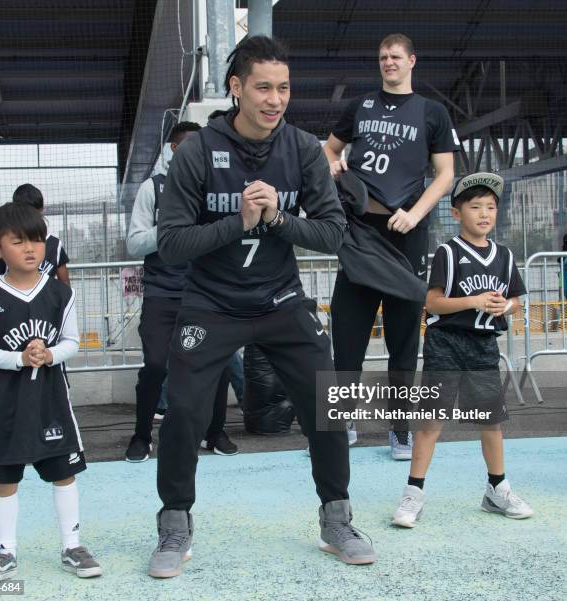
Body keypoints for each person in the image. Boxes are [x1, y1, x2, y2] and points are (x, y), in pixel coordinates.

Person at [148, 35, 375, 579]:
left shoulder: (301, 150)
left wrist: (275, 218)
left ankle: (336, 518)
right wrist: (238, 223)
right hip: (212, 304)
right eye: (263, 87)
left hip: (280, 300)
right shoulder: (198, 151)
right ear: (236, 88)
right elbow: (171, 242)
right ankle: (174, 524)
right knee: (183, 412)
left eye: (284, 88)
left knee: (327, 405)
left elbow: (333, 234)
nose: (275, 99)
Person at [324, 33, 460, 460]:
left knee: (404, 339)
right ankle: (338, 425)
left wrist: (415, 214)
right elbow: (328, 151)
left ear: (412, 61)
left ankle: (400, 428)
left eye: (396, 56)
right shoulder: (358, 108)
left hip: (407, 233)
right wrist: (333, 165)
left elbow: (445, 174)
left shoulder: (431, 113)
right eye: (383, 56)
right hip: (360, 231)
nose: (389, 62)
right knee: (347, 334)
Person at [391, 172, 533, 528]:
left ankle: (497, 489)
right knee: (430, 422)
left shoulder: (504, 256)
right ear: (456, 213)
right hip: (447, 345)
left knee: (491, 422)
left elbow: (516, 299)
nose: (484, 213)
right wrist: (475, 300)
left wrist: (506, 307)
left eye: (490, 207)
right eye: (475, 206)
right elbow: (433, 303)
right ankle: (413, 492)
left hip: (484, 347)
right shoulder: (448, 253)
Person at [0, 203, 101, 581]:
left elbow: (73, 342)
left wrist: (48, 355)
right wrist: (20, 358)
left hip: (52, 400)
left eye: (38, 240)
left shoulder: (60, 294)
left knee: (64, 473)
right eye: (19, 242)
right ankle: (4, 552)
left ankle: (72, 545)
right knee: (5, 478)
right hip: (9, 406)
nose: (31, 248)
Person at [125, 121, 237, 461]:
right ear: (174, 150)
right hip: (162, 293)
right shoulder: (152, 189)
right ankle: (142, 436)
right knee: (156, 364)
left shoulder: (212, 188)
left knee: (219, 366)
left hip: (205, 293)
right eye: (191, 145)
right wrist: (170, 229)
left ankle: (214, 432)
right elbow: (133, 243)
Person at [0, 184, 70, 286]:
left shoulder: (54, 245)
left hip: (45, 300)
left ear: (41, 210)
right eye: (18, 242)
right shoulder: (7, 245)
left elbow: (65, 283)